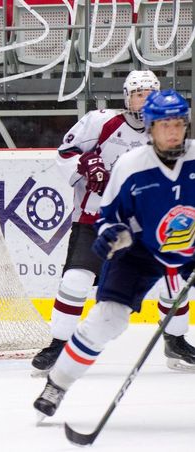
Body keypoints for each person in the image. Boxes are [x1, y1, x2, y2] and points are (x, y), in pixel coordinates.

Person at [33, 89, 195, 418]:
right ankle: (58, 383)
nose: (173, 131)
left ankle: (176, 343)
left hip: (186, 246)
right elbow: (109, 216)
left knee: (175, 291)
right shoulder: (130, 166)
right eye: (165, 125)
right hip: (140, 250)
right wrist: (113, 235)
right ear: (150, 127)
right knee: (106, 319)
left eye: (179, 124)